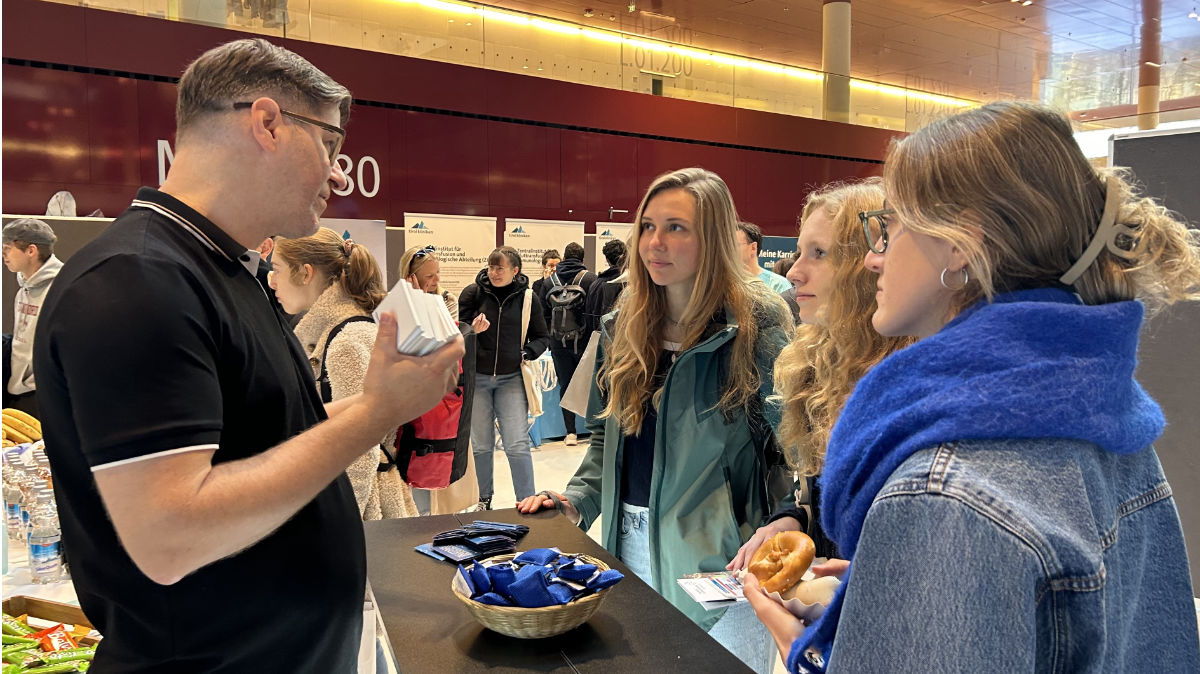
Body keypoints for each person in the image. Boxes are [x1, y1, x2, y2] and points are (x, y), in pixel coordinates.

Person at [32, 39, 463, 672]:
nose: (340, 174)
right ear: (267, 123)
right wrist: (375, 415)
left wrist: (381, 400)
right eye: (331, 145)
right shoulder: (139, 278)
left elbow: (272, 440)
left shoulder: (218, 268)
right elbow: (172, 534)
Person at [746, 101, 1200, 673]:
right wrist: (893, 603)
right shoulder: (1114, 423)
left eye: (888, 227)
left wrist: (812, 656)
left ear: (959, 242)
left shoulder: (943, 492)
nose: (873, 259)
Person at [518, 167, 794, 673]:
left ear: (711, 237)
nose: (655, 243)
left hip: (724, 565)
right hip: (629, 547)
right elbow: (607, 437)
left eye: (676, 227)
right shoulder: (626, 320)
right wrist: (576, 498)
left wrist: (788, 520)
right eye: (647, 226)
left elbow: (796, 441)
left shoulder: (756, 322)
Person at [727, 178, 909, 571]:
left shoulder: (906, 379)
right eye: (798, 252)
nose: (794, 271)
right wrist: (791, 519)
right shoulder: (813, 361)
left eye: (819, 253)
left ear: (869, 261)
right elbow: (817, 490)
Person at [270, 227, 418, 520]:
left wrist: (339, 524)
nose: (271, 280)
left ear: (305, 273)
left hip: (363, 511)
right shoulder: (344, 328)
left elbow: (360, 450)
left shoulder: (345, 341)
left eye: (277, 269)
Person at [458, 246, 549, 510]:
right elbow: (459, 333)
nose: (494, 273)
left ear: (515, 270)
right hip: (479, 378)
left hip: (511, 378)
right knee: (481, 445)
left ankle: (527, 500)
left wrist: (527, 352)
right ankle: (483, 499)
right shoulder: (473, 293)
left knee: (517, 443)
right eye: (491, 267)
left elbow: (542, 337)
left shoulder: (528, 298)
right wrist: (471, 330)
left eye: (500, 268)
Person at [3, 218, 62, 418]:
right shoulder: (23, 289)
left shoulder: (60, 288)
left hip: (43, 394)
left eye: (8, 248)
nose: (3, 254)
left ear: (31, 251)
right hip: (16, 388)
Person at [539, 241, 596, 446]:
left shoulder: (549, 282)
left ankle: (570, 432)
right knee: (591, 385)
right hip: (584, 343)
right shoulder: (590, 279)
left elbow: (543, 315)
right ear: (582, 260)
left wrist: (550, 337)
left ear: (563, 258)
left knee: (565, 384)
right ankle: (592, 430)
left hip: (558, 343)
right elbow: (593, 313)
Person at [399, 244, 458, 320]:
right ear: (411, 277)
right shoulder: (395, 301)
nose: (437, 279)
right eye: (429, 276)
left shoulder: (448, 300)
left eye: (438, 272)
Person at [737, 221, 792, 293]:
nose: (727, 250)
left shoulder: (778, 285)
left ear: (753, 248)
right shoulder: (723, 284)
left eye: (734, 245)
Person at [585, 238, 627, 334]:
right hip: (625, 341)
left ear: (607, 260)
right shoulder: (634, 283)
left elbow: (589, 317)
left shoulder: (595, 285)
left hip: (602, 338)